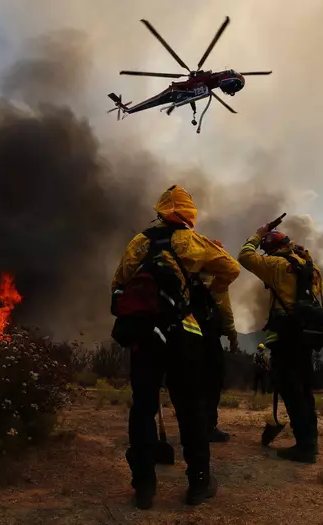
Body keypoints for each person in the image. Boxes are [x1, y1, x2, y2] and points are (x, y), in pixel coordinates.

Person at [111, 185, 240, 508]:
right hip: (184, 334)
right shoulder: (192, 242)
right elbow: (232, 268)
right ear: (187, 214)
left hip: (144, 338)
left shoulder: (139, 243)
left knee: (142, 409)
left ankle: (144, 487)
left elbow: (118, 284)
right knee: (190, 407)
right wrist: (207, 287)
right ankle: (198, 484)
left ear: (160, 212)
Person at [237, 221, 323, 464]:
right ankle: (311, 442)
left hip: (285, 338)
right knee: (305, 391)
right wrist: (303, 253)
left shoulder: (276, 265)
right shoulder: (313, 269)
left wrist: (257, 234)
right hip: (306, 338)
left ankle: (305, 447)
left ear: (272, 249)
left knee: (292, 391)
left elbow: (245, 256)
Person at [190, 241, 239, 443]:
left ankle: (191, 425)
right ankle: (208, 427)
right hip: (209, 339)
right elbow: (226, 312)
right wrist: (232, 337)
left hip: (186, 337)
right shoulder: (218, 282)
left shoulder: (186, 277)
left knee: (192, 383)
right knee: (212, 383)